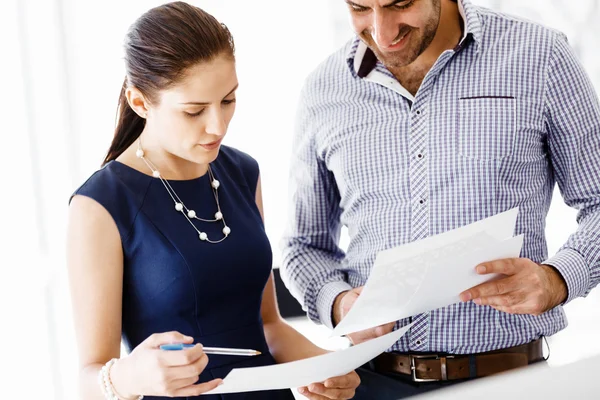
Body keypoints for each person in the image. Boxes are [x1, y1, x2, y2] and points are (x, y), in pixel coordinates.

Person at [280, 0, 600, 398]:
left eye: (400, 5)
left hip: (513, 382)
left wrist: (557, 280)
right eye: (361, 8)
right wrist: (339, 305)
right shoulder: (324, 88)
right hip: (372, 383)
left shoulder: (540, 56)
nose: (381, 32)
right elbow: (303, 246)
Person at [66, 2, 360, 399]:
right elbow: (88, 378)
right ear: (140, 103)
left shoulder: (241, 172)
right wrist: (130, 377)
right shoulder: (100, 205)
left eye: (228, 100)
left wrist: (326, 368)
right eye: (193, 111)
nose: (217, 126)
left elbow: (267, 327)